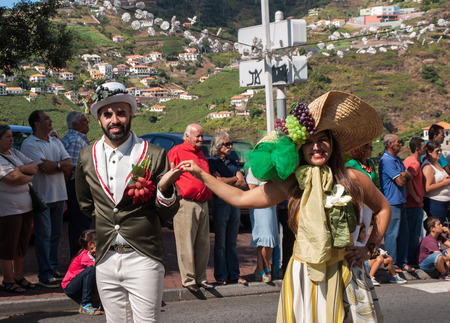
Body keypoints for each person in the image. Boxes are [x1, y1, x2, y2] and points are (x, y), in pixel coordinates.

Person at [179, 91, 391, 322]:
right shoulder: (292, 183)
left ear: (333, 143)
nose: (317, 147)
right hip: (305, 275)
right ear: (299, 149)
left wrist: (369, 248)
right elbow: (240, 199)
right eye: (309, 142)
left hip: (346, 270)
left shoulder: (352, 178)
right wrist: (202, 175)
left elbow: (383, 208)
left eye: (322, 139)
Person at [75, 82, 181, 323]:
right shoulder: (86, 156)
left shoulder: (153, 153)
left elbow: (168, 212)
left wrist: (164, 189)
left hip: (143, 256)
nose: (115, 119)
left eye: (121, 113)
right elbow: (85, 204)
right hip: (105, 258)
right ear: (99, 119)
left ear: (131, 114)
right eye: (107, 114)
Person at [21, 110, 73, 288]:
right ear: (36, 123)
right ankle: (44, 273)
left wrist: (56, 165)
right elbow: (43, 168)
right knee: (44, 236)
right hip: (42, 197)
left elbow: (69, 164)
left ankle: (52, 267)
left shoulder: (55, 141)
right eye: (46, 118)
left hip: (59, 195)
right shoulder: (29, 144)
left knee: (55, 235)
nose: (50, 120)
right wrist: (59, 166)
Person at [167, 124, 214, 293]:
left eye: (202, 136)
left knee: (203, 243)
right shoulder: (177, 151)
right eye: (197, 137)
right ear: (187, 136)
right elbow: (167, 175)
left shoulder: (200, 153)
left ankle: (201, 278)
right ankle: (188, 279)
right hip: (186, 203)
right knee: (185, 242)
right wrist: (177, 191)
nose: (201, 140)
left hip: (203, 203)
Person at [0, 125, 38, 293]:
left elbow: (34, 166)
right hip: (9, 209)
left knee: (21, 244)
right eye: (7, 137)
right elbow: (13, 178)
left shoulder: (14, 153)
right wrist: (23, 172)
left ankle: (18, 275)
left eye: (11, 136)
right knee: (8, 245)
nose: (11, 139)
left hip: (26, 206)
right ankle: (7, 280)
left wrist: (21, 170)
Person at [208, 131, 248, 285]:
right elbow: (216, 182)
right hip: (221, 204)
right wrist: (233, 179)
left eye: (231, 144)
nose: (230, 147)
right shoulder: (211, 162)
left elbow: (242, 183)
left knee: (232, 242)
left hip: (235, 204)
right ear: (218, 146)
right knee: (220, 242)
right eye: (227, 144)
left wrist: (226, 180)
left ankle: (234, 274)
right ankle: (221, 275)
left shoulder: (232, 161)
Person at [379, 134, 415, 273]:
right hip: (392, 202)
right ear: (389, 144)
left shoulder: (397, 159)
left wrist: (404, 175)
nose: (400, 144)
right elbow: (400, 181)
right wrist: (404, 175)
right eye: (398, 142)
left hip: (400, 201)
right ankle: (391, 263)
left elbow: (408, 176)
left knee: (404, 233)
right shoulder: (387, 160)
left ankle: (402, 261)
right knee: (392, 234)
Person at [61, 111, 92, 258]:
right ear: (75, 125)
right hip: (77, 187)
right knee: (79, 225)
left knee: (81, 224)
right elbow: (74, 168)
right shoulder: (74, 140)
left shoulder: (78, 139)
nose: (88, 123)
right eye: (84, 120)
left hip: (78, 187)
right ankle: (78, 258)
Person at [247, 167, 279, 283]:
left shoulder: (271, 169)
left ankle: (262, 267)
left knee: (270, 240)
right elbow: (251, 188)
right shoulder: (253, 169)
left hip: (271, 206)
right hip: (260, 207)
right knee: (263, 238)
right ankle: (262, 267)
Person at [62, 229, 102, 315]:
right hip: (70, 287)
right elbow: (100, 266)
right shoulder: (85, 256)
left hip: (78, 286)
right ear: (90, 245)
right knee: (91, 270)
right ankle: (85, 305)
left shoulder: (92, 254)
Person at [346, 142, 377, 245]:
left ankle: (362, 249)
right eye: (370, 147)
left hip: (369, 201)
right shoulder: (352, 164)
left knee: (366, 226)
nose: (371, 150)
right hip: (358, 201)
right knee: (357, 226)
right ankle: (353, 246)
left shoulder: (370, 163)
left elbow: (374, 182)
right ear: (361, 149)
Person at [403, 137, 426, 268]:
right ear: (417, 149)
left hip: (408, 203)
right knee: (414, 234)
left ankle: (407, 258)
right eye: (423, 146)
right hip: (414, 204)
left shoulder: (407, 160)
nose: (425, 148)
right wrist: (416, 196)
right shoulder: (415, 164)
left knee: (408, 233)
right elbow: (408, 178)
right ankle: (412, 260)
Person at [422, 140, 450, 224]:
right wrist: (444, 183)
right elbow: (427, 188)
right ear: (430, 152)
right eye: (437, 151)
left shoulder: (437, 163)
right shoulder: (428, 167)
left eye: (440, 150)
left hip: (443, 203)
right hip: (435, 203)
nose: (440, 153)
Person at [418, 216, 450, 280]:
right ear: (432, 228)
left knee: (447, 251)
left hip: (436, 261)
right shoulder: (429, 240)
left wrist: (449, 233)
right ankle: (444, 274)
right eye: (439, 224)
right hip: (425, 264)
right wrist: (447, 258)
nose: (441, 225)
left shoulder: (439, 236)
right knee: (439, 256)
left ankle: (447, 271)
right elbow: (440, 256)